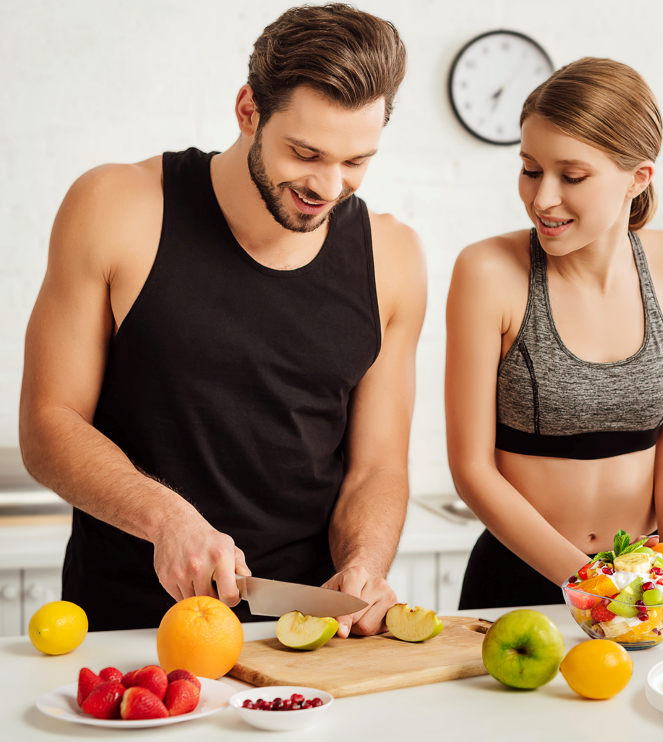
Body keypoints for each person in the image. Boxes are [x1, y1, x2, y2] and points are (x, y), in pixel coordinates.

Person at [18, 4, 426, 635]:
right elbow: (49, 424)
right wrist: (166, 519)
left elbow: (377, 468)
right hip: (126, 628)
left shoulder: (393, 258)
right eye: (306, 152)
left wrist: (364, 564)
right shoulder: (117, 207)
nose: (329, 184)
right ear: (247, 111)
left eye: (356, 161)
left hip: (303, 629)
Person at [446, 58, 663, 613]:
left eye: (571, 177)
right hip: (522, 586)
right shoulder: (488, 272)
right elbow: (472, 469)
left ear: (638, 177)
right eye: (530, 169)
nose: (542, 198)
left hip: (642, 587)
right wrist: (592, 584)